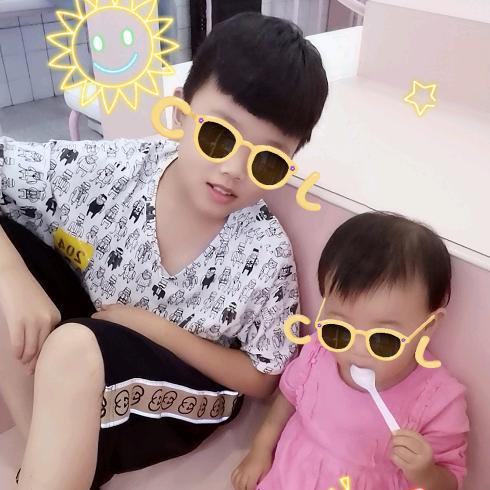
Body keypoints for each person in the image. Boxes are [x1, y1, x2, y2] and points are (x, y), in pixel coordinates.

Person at [0, 12, 328, 489]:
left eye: (268, 161)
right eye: (219, 136)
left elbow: (263, 377)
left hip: (188, 394)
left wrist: (146, 325)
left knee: (73, 345)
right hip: (91, 347)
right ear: (180, 113)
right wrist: (11, 276)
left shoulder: (264, 250)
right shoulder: (114, 171)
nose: (234, 169)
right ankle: (43, 460)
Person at [232, 212, 469, 490]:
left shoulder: (438, 401)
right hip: (291, 476)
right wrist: (260, 450)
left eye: (383, 339)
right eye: (339, 330)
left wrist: (425, 473)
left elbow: (450, 482)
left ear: (427, 327)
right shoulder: (319, 352)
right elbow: (289, 398)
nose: (356, 351)